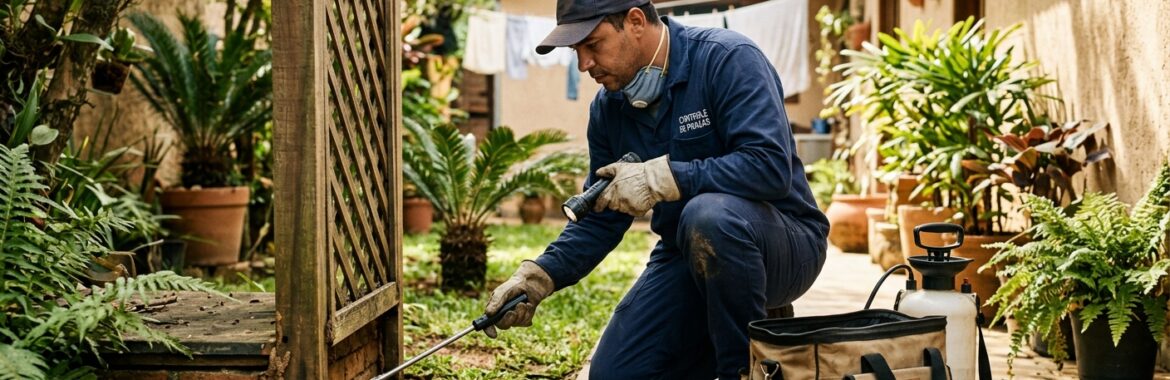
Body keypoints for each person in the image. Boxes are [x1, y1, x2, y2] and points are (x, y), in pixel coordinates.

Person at [483, 0, 828, 378]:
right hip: (687, 251)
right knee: (616, 374)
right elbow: (600, 219)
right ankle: (730, 330)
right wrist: (539, 276)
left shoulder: (727, 59)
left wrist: (664, 177)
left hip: (785, 244)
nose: (584, 64)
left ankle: (744, 368)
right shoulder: (608, 110)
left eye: (592, 45)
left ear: (634, 21)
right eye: (576, 51)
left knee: (709, 216)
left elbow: (769, 166)